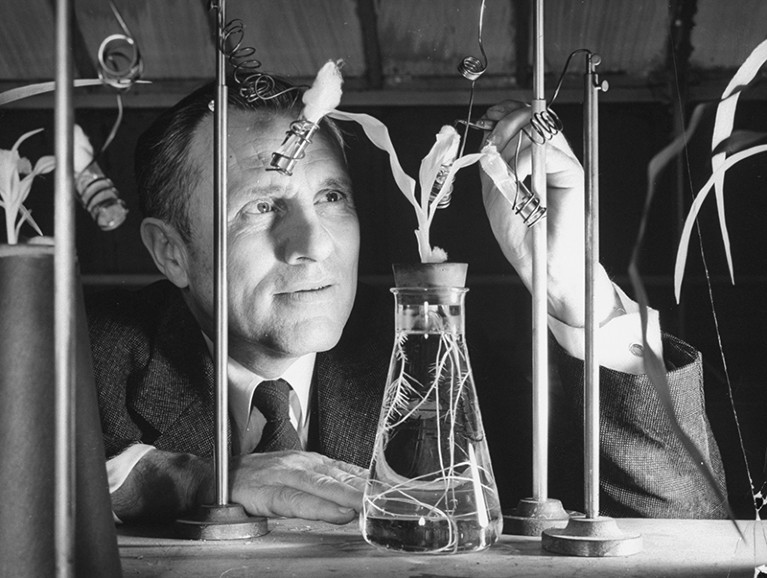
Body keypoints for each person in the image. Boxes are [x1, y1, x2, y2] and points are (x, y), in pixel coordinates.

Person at [87, 76, 729, 525]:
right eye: (260, 207)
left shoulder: (444, 368)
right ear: (170, 251)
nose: (312, 244)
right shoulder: (82, 364)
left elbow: (690, 523)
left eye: (332, 198)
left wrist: (573, 285)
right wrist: (199, 481)